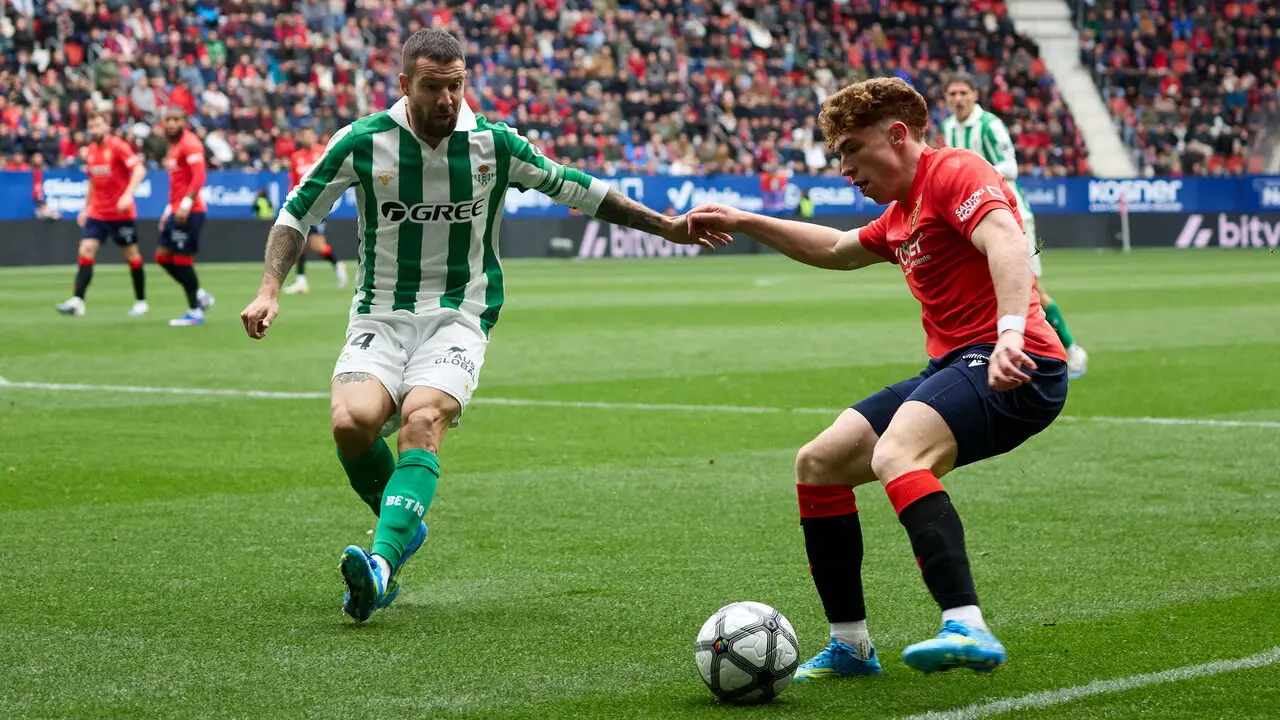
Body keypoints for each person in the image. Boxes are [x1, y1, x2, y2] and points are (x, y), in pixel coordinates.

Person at [239, 28, 726, 625]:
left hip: (459, 316)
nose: (447, 100)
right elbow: (297, 213)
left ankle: (383, 562)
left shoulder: (494, 145)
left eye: (456, 85)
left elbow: (577, 187)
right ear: (404, 86)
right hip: (379, 316)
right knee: (350, 425)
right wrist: (270, 290)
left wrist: (669, 225)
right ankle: (404, 524)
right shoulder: (362, 143)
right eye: (432, 87)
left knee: (422, 418)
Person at [687, 77, 1068, 677]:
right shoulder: (900, 214)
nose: (844, 169)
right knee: (820, 463)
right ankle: (852, 647)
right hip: (958, 362)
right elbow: (837, 248)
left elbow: (1007, 241)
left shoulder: (955, 171)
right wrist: (745, 219)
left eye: (851, 151)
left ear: (896, 135)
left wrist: (1014, 332)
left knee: (898, 452)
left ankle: (966, 623)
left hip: (1017, 362)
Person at [941, 72, 1088, 379]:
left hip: (1012, 215)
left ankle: (1071, 350)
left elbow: (1012, 167)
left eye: (963, 93)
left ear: (974, 95)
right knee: (983, 286)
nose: (958, 99)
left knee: (1030, 288)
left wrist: (974, 174)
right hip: (976, 220)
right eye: (952, 94)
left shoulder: (989, 125)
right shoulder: (949, 128)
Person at [56, 110, 149, 318]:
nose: (95, 130)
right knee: (86, 249)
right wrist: (85, 207)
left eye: (98, 125)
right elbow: (92, 182)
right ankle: (78, 300)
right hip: (98, 212)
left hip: (121, 214)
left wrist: (127, 195)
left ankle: (141, 301)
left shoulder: (117, 146)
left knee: (131, 256)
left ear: (106, 126)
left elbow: (139, 170)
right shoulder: (89, 151)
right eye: (91, 127)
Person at [157, 106, 215, 327]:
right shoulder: (173, 147)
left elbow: (199, 176)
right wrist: (168, 210)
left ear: (184, 122)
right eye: (168, 119)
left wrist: (186, 204)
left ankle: (195, 312)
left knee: (182, 261)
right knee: (162, 257)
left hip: (190, 211)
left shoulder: (190, 143)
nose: (171, 123)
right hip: (176, 209)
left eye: (176, 119)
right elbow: (177, 185)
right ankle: (200, 295)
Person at [281, 126, 349, 295]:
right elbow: (294, 182)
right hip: (301, 205)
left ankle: (337, 264)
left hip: (319, 205)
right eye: (303, 135)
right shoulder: (295, 157)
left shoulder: (323, 152)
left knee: (317, 246)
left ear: (315, 136)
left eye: (309, 134)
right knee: (297, 242)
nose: (307, 138)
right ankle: (301, 281)